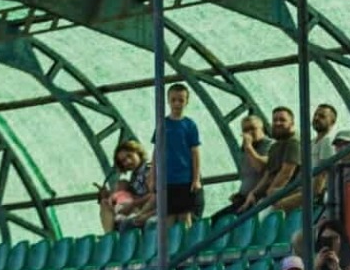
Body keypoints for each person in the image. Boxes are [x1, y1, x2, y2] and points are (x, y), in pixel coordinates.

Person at [151, 83, 203, 226]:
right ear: (168, 101)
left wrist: (196, 178)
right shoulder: (162, 124)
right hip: (167, 179)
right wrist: (153, 177)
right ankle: (170, 247)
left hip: (185, 178)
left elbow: (195, 152)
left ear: (186, 101)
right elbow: (156, 153)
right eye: (173, 100)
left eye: (181, 100)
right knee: (168, 217)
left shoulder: (189, 125)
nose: (177, 103)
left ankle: (186, 245)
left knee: (185, 216)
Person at [215, 115, 272, 223]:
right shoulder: (245, 150)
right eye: (246, 130)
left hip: (258, 199)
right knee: (216, 220)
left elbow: (260, 167)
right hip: (243, 198)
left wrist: (249, 148)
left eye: (253, 128)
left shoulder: (269, 145)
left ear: (261, 128)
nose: (249, 132)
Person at [242, 107, 300, 212]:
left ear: (292, 123)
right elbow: (268, 175)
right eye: (275, 120)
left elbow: (286, 173)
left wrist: (269, 196)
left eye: (282, 120)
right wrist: (254, 193)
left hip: (287, 197)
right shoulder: (276, 146)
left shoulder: (293, 142)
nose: (278, 123)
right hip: (273, 196)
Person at [98, 139, 153, 233]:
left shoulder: (149, 170)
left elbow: (155, 194)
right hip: (133, 208)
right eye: (123, 161)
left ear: (138, 153)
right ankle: (110, 236)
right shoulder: (134, 177)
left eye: (129, 156)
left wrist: (133, 203)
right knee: (105, 203)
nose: (128, 161)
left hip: (147, 208)